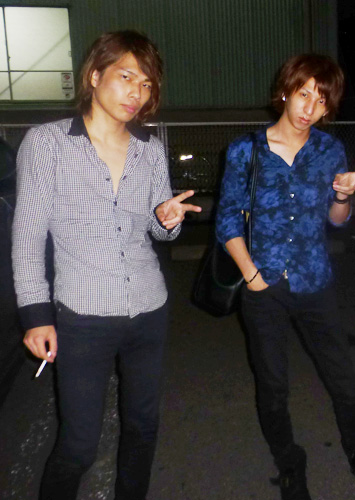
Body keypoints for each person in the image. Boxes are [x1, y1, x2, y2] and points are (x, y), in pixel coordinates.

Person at [13, 31, 201, 500]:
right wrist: (35, 315)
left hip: (149, 309)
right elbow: (28, 234)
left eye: (147, 83)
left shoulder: (149, 148)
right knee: (78, 445)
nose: (137, 92)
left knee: (143, 426)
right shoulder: (47, 143)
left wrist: (168, 219)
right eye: (126, 77)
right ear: (94, 76)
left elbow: (159, 229)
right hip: (83, 315)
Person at [216, 53, 355, 500]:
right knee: (273, 385)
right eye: (304, 94)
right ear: (286, 91)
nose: (309, 107)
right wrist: (251, 275)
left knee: (343, 379)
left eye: (321, 100)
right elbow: (227, 220)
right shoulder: (246, 150)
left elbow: (337, 221)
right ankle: (289, 464)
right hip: (264, 286)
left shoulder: (329, 150)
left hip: (315, 280)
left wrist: (342, 196)